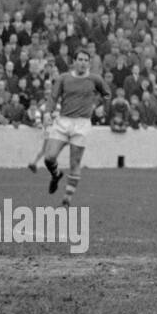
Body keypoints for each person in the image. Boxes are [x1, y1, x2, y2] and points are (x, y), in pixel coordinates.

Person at [41, 48, 112, 207]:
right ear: (74, 62)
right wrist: (47, 112)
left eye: (86, 60)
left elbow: (107, 94)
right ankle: (56, 174)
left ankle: (66, 200)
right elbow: (53, 97)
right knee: (49, 157)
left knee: (75, 162)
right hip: (63, 121)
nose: (83, 63)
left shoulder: (95, 79)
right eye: (80, 59)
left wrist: (103, 108)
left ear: (89, 63)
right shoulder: (63, 78)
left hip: (82, 124)